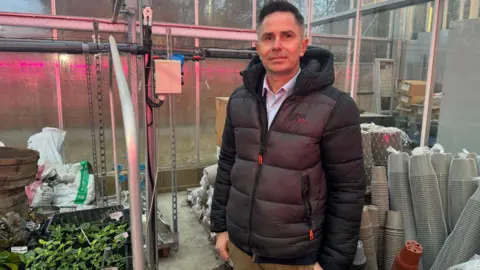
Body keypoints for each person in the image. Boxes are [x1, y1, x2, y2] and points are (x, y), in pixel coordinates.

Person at [210, 1, 366, 269]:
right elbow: (227, 165)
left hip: (296, 256)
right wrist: (221, 227)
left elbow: (348, 191)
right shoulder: (240, 101)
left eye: (287, 36)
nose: (277, 45)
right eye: (268, 37)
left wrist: (332, 262)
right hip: (242, 249)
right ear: (257, 46)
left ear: (303, 45)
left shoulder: (335, 107)